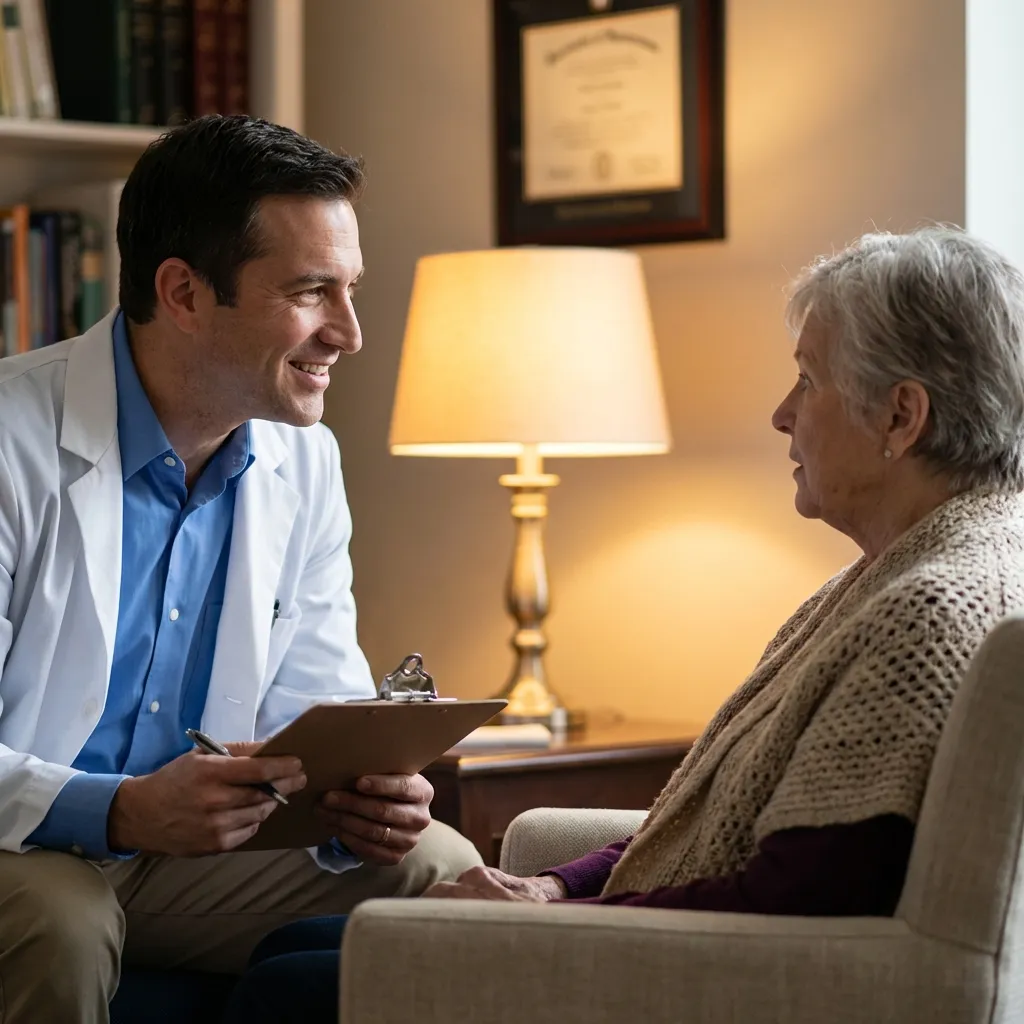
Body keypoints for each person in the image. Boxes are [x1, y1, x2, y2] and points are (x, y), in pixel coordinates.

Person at [221, 225, 1024, 1023]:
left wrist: (556, 921)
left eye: (807, 382)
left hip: (707, 972)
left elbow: (803, 894)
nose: (782, 415)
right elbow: (714, 825)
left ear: (900, 417)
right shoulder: (918, 570)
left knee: (286, 984)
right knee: (290, 949)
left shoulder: (929, 612)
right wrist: (554, 882)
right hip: (697, 932)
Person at [0, 115, 481, 1024]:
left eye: (351, 291)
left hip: (186, 857)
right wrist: (120, 811)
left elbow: (310, 709)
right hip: (22, 848)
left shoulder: (305, 463)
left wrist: (359, 800)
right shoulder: (8, 439)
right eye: (311, 292)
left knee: (446, 872)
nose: (348, 332)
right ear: (182, 291)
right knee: (59, 919)